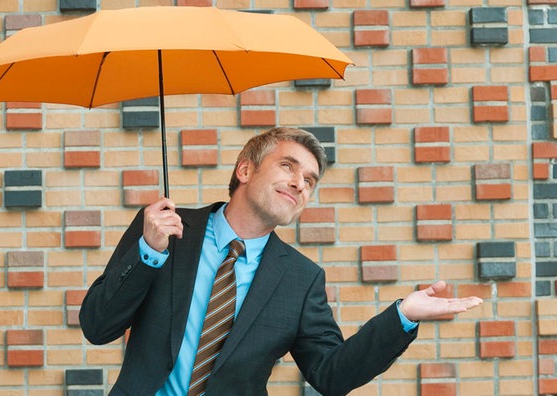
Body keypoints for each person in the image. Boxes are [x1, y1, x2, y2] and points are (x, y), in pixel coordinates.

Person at [80, 127, 483, 396]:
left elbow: (331, 373)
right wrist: (149, 252)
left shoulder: (301, 279)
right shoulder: (165, 230)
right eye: (288, 166)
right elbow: (98, 327)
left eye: (309, 180)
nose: (299, 183)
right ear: (245, 169)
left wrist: (403, 316)